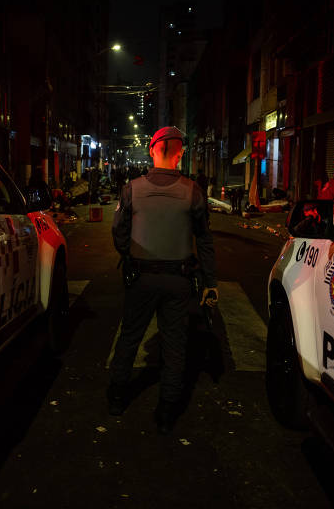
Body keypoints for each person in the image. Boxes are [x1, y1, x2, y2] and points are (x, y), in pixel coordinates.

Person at [109, 126, 219, 435]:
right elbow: (205, 240)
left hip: (141, 277)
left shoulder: (132, 189)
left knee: (130, 337)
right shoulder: (193, 190)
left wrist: (128, 255)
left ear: (152, 150)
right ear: (180, 154)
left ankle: (117, 396)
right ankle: (167, 411)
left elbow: (119, 233)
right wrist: (210, 282)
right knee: (175, 345)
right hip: (178, 280)